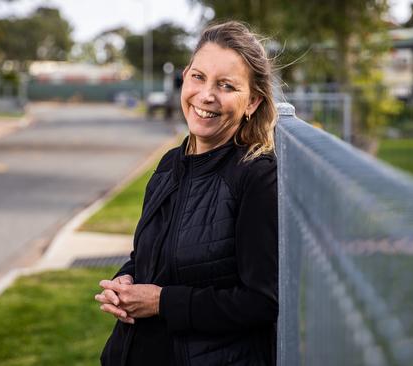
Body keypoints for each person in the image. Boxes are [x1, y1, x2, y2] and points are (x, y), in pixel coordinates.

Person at [96, 21, 279, 366]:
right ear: (185, 77)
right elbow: (148, 256)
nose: (206, 95)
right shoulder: (169, 164)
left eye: (226, 85)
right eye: (199, 77)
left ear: (252, 102)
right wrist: (126, 280)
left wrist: (162, 302)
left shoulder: (256, 177)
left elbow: (263, 301)